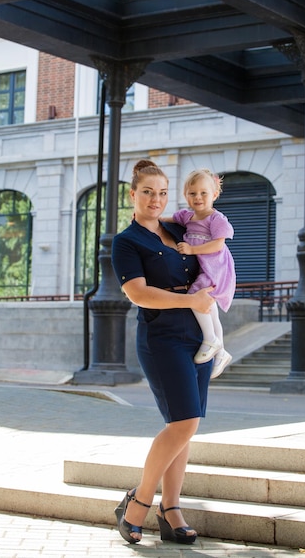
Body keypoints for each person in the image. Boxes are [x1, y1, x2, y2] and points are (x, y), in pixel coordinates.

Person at [111, 159, 215, 545]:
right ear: (132, 195)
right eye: (147, 192)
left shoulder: (179, 227)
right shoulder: (126, 241)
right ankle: (139, 502)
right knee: (184, 422)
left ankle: (170, 511)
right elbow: (137, 292)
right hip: (161, 335)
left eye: (162, 192)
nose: (155, 199)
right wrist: (191, 303)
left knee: (186, 426)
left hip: (197, 332)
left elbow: (210, 219)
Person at [167, 168, 235, 379]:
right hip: (204, 268)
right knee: (209, 308)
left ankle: (210, 339)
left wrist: (191, 249)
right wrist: (148, 218)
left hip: (216, 268)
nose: (198, 198)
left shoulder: (216, 219)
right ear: (185, 195)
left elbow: (217, 245)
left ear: (214, 195)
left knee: (196, 296)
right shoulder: (186, 217)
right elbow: (166, 220)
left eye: (203, 193)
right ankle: (222, 351)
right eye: (192, 193)